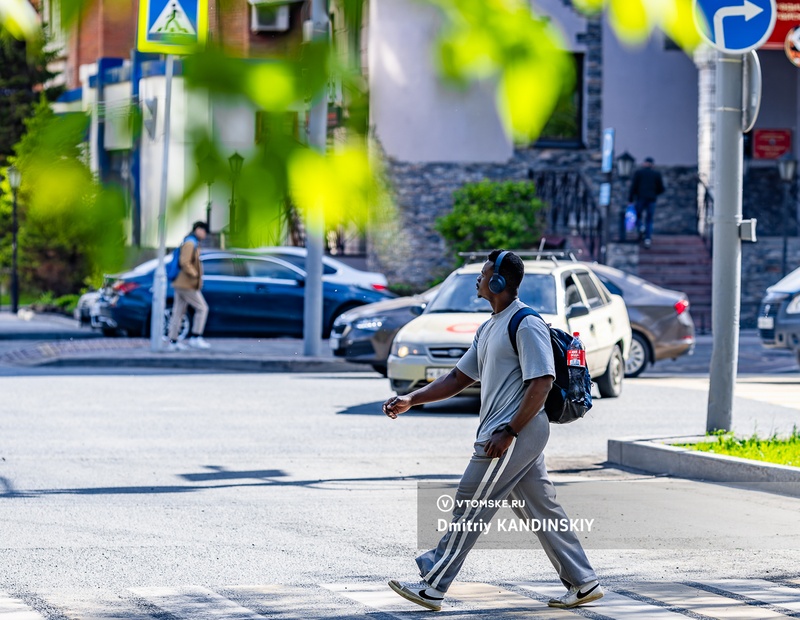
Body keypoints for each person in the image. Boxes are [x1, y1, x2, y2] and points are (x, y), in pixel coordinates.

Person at [382, 249, 603, 612]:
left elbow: (543, 381)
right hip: (511, 433)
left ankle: (433, 585)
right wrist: (411, 399)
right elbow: (458, 377)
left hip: (515, 432)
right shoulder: (489, 327)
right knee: (542, 511)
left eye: (483, 274)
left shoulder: (526, 323)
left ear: (498, 282)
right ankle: (584, 582)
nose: (478, 279)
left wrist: (510, 431)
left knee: (470, 503)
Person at [167, 221, 211, 351]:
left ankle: (173, 341)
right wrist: (195, 275)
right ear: (198, 229)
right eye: (204, 231)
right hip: (186, 284)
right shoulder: (190, 243)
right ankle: (196, 337)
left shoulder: (190, 241)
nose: (205, 235)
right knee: (202, 308)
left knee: (178, 312)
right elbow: (185, 262)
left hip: (181, 283)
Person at [628, 156, 665, 248]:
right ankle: (647, 238)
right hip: (651, 199)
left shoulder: (639, 173)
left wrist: (630, 199)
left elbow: (633, 187)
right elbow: (661, 188)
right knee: (649, 219)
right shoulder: (656, 174)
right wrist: (654, 193)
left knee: (638, 216)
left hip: (641, 198)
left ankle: (641, 228)